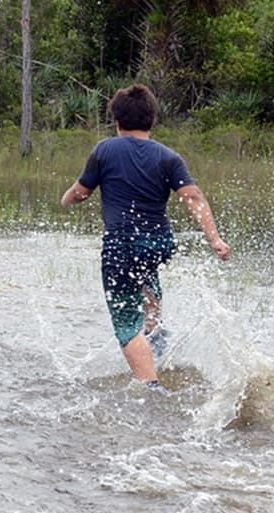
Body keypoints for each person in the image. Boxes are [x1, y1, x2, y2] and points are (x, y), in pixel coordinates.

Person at [60, 84, 231, 392]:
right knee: (146, 278)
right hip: (159, 244)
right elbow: (193, 197)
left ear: (116, 120)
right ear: (152, 121)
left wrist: (67, 199)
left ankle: (150, 385)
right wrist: (215, 240)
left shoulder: (104, 150)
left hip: (122, 245)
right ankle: (156, 336)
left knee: (126, 323)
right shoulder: (169, 157)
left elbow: (81, 192)